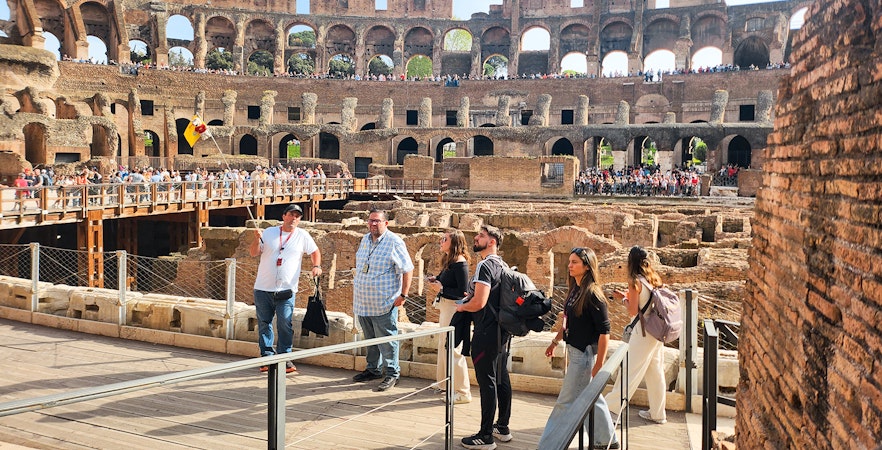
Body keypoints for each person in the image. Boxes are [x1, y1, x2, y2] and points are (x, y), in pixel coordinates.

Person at [539, 247, 619, 449]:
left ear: (586, 266)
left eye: (574, 262)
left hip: (582, 357)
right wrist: (555, 341)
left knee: (565, 402)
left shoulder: (592, 294)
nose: (569, 265)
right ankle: (606, 440)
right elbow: (567, 321)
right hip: (574, 352)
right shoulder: (575, 289)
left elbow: (605, 332)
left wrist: (599, 364)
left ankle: (549, 445)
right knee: (590, 396)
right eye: (569, 261)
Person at [455, 225, 511, 450]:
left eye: (481, 236)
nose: (476, 238)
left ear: (492, 242)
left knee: (487, 382)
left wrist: (462, 308)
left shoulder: (484, 265)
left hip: (486, 331)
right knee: (501, 378)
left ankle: (485, 436)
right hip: (502, 331)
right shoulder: (503, 266)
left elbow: (479, 302)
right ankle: (502, 427)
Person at [249, 204, 322, 374]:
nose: (294, 218)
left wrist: (316, 265)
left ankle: (284, 357)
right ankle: (267, 357)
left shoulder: (303, 235)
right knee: (264, 323)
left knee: (285, 323)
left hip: (287, 289)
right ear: (284, 216)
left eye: (297, 216)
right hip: (263, 288)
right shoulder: (269, 232)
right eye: (291, 215)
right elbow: (253, 252)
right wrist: (255, 238)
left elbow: (315, 251)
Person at [352, 208, 414, 392]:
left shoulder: (395, 242)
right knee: (370, 339)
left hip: (384, 302)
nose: (373, 224)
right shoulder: (364, 239)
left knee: (387, 339)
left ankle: (392, 373)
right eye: (370, 220)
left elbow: (407, 269)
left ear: (386, 223)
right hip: (363, 302)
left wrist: (403, 294)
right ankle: (373, 369)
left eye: (377, 221)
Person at [604, 246, 668, 424]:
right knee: (655, 372)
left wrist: (624, 299)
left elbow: (633, 310)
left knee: (629, 370)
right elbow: (646, 300)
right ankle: (658, 413)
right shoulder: (652, 278)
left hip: (643, 331)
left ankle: (611, 407)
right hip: (656, 330)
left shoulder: (634, 281)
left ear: (630, 262)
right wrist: (627, 295)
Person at [427, 229, 472, 404]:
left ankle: (462, 391)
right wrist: (435, 280)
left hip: (454, 309)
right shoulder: (450, 261)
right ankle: (444, 382)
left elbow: (463, 293)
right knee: (442, 343)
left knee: (453, 348)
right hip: (446, 307)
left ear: (454, 243)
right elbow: (443, 280)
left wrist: (442, 289)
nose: (441, 241)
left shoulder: (460, 264)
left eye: (444, 239)